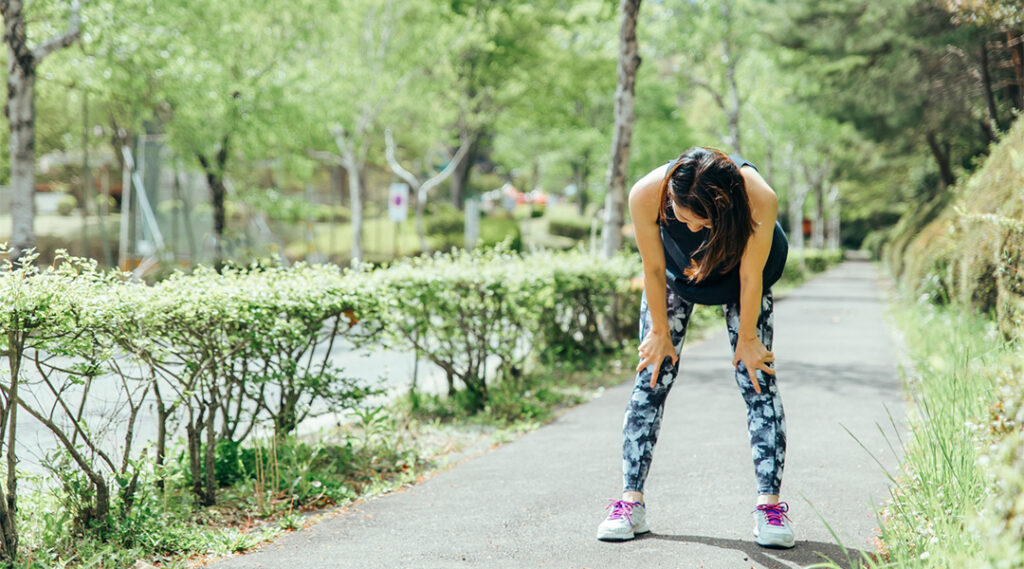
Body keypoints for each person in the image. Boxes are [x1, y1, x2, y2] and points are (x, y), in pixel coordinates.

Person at [595, 147, 795, 549]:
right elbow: (651, 269)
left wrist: (749, 341)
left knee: (757, 379)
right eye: (678, 213)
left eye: (695, 218)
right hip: (675, 277)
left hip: (743, 277)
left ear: (722, 210)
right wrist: (658, 333)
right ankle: (630, 502)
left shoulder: (759, 198)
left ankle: (769, 509)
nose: (684, 222)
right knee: (651, 376)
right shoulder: (647, 193)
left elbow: (751, 275)